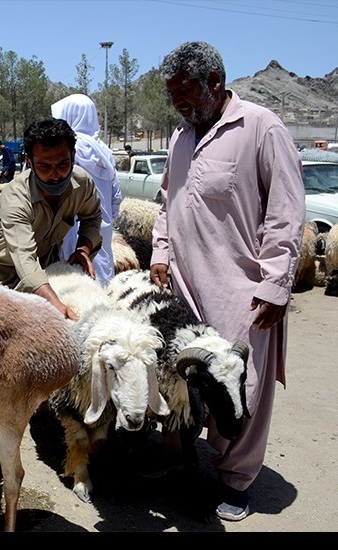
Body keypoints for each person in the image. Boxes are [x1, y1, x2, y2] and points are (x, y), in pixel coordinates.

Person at [151, 41, 305, 522]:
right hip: (184, 287)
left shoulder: (261, 127)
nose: (179, 100)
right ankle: (183, 457)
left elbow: (286, 215)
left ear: (215, 83)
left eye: (187, 90)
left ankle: (237, 479)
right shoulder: (181, 137)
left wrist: (276, 285)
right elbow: (166, 203)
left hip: (241, 290)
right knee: (186, 380)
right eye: (172, 92)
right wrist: (160, 252)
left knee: (244, 388)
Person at [0, 118, 103, 320]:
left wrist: (83, 249)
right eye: (44, 166)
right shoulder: (16, 197)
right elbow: (24, 257)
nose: (55, 175)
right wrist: (54, 302)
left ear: (73, 155)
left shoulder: (83, 184)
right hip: (0, 272)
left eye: (63, 164)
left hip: (44, 265)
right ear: (29, 162)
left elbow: (93, 216)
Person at [52, 93, 123, 287]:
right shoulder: (103, 150)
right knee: (100, 276)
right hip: (100, 227)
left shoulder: (68, 149)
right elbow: (116, 196)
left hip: (72, 227)